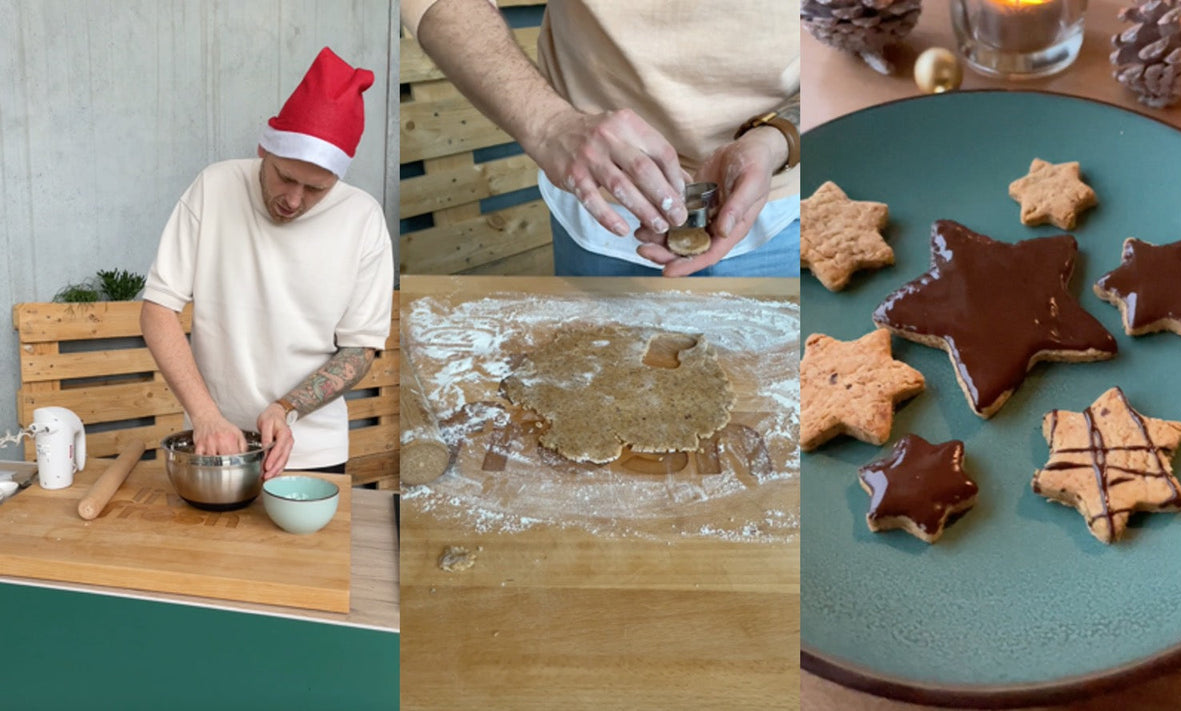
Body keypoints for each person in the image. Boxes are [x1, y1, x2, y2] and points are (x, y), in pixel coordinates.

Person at [401, 0, 799, 277]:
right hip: (602, 211)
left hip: (791, 205)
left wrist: (781, 136)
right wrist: (549, 124)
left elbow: (851, 41)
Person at [141, 47, 395, 479]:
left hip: (313, 451)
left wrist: (286, 409)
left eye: (316, 189)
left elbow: (359, 348)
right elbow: (158, 309)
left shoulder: (363, 219)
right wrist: (205, 416)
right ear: (265, 148)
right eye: (285, 176)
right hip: (214, 440)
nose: (294, 201)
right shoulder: (214, 187)